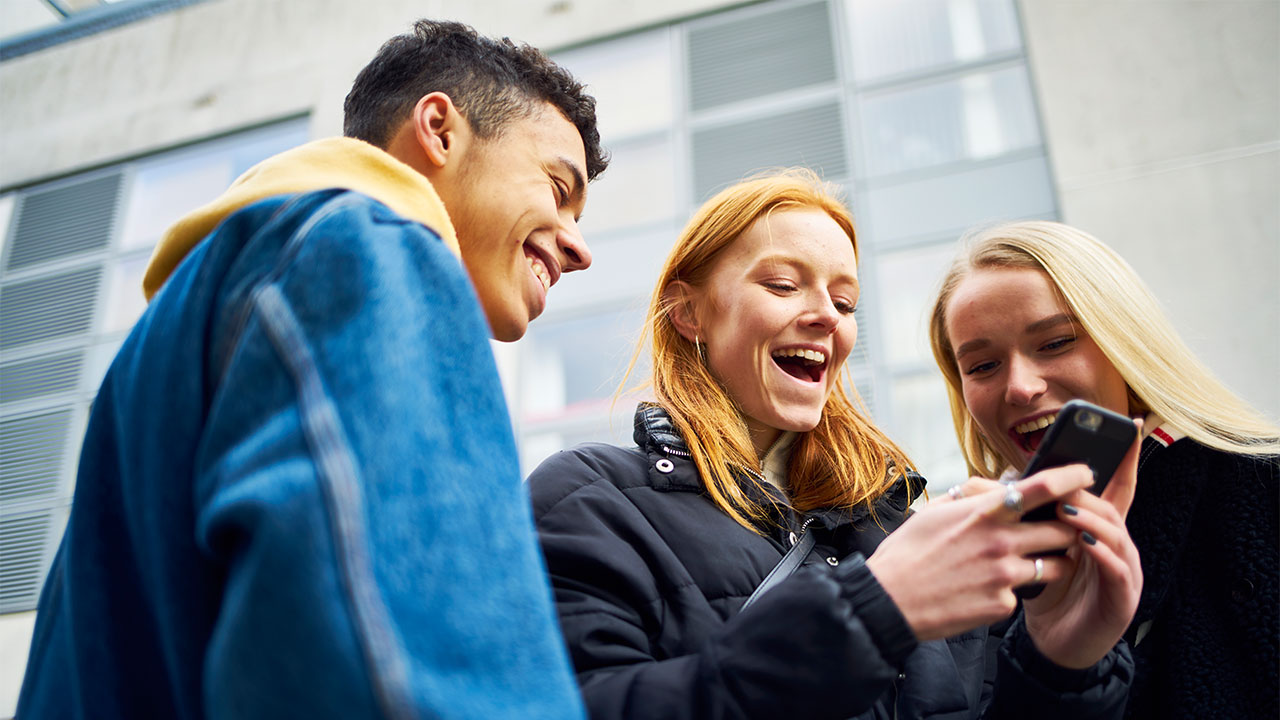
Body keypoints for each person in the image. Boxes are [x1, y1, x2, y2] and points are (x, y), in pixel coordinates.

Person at [18, 19, 607, 720]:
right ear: (440, 130)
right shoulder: (372, 252)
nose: (579, 249)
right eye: (557, 187)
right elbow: (391, 672)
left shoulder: (170, 340)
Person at [527, 171, 1142, 720]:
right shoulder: (588, 500)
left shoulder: (906, 529)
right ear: (689, 313)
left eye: (845, 301)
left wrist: (1064, 669)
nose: (828, 316)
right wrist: (870, 616)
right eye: (783, 285)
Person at [927, 220, 1280, 720]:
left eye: (1054, 343)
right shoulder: (978, 574)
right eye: (982, 366)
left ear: (1126, 342)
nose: (1020, 387)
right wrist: (1054, 668)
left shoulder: (1262, 489)